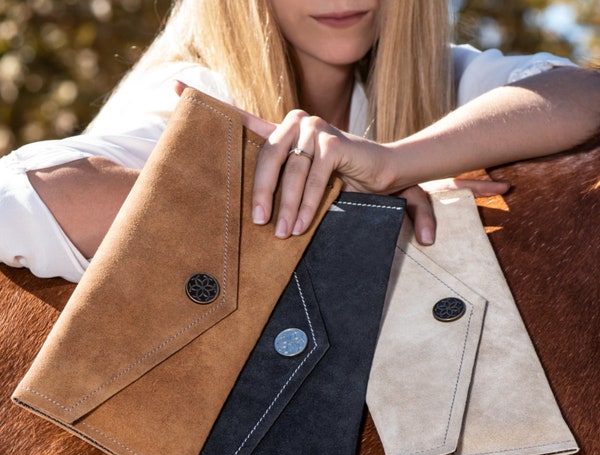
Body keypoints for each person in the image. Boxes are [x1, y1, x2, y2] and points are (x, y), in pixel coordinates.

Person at [1, 0, 598, 282]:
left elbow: (582, 94)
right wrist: (325, 201)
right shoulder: (198, 89)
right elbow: (15, 202)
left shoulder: (442, 74)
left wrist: (393, 165)